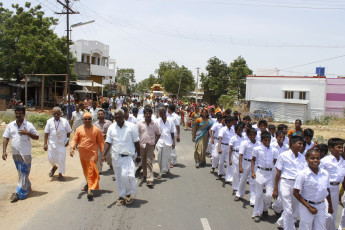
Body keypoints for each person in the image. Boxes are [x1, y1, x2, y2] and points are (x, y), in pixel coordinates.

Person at [102, 109, 140, 206]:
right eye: (116, 117)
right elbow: (108, 142)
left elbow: (136, 142)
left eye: (119, 117)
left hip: (127, 157)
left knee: (125, 176)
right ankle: (121, 195)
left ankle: (128, 194)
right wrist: (103, 154)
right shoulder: (111, 127)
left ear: (124, 117)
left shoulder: (131, 127)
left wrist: (139, 155)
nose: (118, 119)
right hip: (115, 157)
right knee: (118, 178)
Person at [2, 106, 39, 202]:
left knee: (23, 172)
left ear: (24, 114)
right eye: (16, 113)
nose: (18, 115)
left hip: (25, 153)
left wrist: (28, 133)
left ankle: (19, 193)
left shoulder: (29, 125)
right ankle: (27, 185)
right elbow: (6, 138)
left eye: (20, 113)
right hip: (15, 153)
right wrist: (4, 151)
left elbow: (37, 137)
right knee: (21, 173)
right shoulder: (10, 125)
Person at [293, 149, 333, 230]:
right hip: (307, 205)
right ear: (306, 159)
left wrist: (330, 205)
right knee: (306, 227)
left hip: (321, 205)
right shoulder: (302, 174)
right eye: (312, 158)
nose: (315, 160)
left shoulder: (325, 173)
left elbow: (327, 190)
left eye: (317, 158)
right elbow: (296, 192)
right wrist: (309, 207)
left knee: (321, 227)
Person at [273, 135, 305, 229]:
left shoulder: (302, 157)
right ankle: (289, 227)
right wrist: (275, 189)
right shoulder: (283, 155)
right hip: (285, 183)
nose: (301, 146)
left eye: (302, 144)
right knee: (288, 209)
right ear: (292, 144)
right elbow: (278, 173)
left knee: (295, 208)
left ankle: (283, 222)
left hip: (297, 185)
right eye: (299, 143)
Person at [70, 112, 105, 199]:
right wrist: (72, 148)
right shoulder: (79, 129)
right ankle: (88, 184)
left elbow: (101, 142)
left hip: (93, 154)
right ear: (82, 120)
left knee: (91, 170)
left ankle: (90, 189)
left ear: (92, 120)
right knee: (86, 171)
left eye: (89, 119)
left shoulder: (96, 129)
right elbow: (74, 139)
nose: (87, 120)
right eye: (85, 119)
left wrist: (103, 153)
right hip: (82, 154)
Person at [251, 131, 278, 223]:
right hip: (260, 172)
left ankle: (264, 209)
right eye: (265, 140)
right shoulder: (257, 149)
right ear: (262, 140)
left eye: (269, 140)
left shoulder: (274, 150)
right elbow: (253, 160)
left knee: (269, 195)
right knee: (258, 195)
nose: (267, 142)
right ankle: (257, 213)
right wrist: (253, 171)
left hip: (269, 174)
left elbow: (275, 161)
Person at [320, 138, 345, 229]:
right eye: (338, 147)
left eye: (342, 147)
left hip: (336, 188)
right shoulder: (325, 161)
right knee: (327, 215)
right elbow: (319, 175)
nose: (341, 150)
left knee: (334, 215)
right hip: (326, 189)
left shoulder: (343, 162)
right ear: (331, 148)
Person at [44, 107, 72, 181]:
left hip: (61, 144)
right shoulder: (49, 121)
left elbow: (68, 131)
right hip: (52, 144)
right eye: (54, 113)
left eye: (58, 113)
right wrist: (45, 143)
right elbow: (46, 133)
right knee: (50, 158)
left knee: (61, 159)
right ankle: (54, 167)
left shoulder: (64, 121)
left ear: (60, 113)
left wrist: (67, 140)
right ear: (52, 114)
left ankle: (60, 174)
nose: (56, 114)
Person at [137, 107, 161, 187]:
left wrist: (155, 143)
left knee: (149, 161)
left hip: (151, 145)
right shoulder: (140, 123)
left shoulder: (154, 124)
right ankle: (145, 174)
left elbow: (158, 134)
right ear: (144, 114)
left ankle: (150, 179)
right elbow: (136, 134)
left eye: (149, 113)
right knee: (143, 160)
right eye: (146, 113)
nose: (148, 115)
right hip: (142, 145)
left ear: (151, 114)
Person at [235, 128, 259, 205]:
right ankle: (239, 194)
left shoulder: (258, 143)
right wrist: (240, 166)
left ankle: (253, 200)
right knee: (243, 179)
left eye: (254, 135)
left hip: (255, 164)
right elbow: (241, 155)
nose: (252, 136)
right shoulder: (244, 143)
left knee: (253, 182)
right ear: (248, 135)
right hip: (246, 163)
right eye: (250, 135)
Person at [155, 107, 176, 179]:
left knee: (166, 157)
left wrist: (173, 142)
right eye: (158, 113)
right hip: (159, 141)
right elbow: (155, 132)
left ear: (164, 112)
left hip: (168, 142)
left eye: (160, 112)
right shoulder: (157, 121)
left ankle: (164, 170)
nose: (159, 114)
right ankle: (162, 170)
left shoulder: (170, 121)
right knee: (159, 156)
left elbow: (172, 132)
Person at [229, 123, 245, 195]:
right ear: (235, 131)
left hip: (243, 157)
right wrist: (229, 159)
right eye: (238, 130)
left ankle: (240, 188)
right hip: (235, 156)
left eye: (241, 130)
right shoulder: (233, 138)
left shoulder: (244, 138)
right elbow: (230, 150)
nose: (239, 131)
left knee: (242, 174)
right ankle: (235, 188)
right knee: (235, 173)